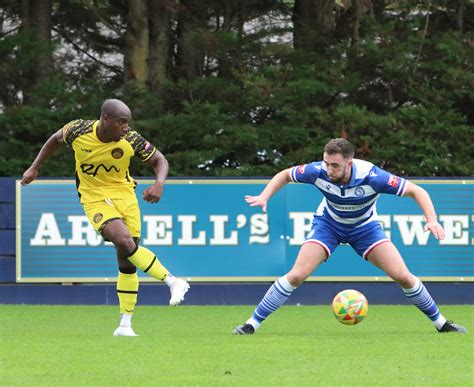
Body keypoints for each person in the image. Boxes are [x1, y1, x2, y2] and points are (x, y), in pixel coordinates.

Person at [233, 138, 467, 335]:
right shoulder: (317, 171)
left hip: (365, 228)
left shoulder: (374, 177)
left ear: (349, 163)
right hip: (328, 225)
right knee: (296, 274)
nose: (328, 170)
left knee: (403, 276)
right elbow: (285, 175)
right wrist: (265, 196)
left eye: (334, 165)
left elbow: (418, 191)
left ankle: (441, 324)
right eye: (326, 163)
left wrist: (432, 220)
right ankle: (251, 325)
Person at [21, 99, 190, 337]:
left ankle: (125, 324)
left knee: (127, 260)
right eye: (121, 122)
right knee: (123, 241)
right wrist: (35, 167)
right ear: (105, 119)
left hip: (125, 197)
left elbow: (159, 160)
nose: (125, 127)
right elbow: (55, 139)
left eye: (127, 123)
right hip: (94, 197)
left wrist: (159, 183)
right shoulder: (78, 129)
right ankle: (172, 280)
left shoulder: (130, 139)